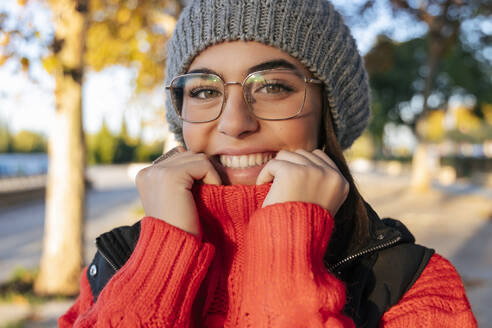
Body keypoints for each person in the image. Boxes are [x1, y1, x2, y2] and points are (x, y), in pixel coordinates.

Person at [59, 0, 477, 327]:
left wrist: (286, 249)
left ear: (326, 113)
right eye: (204, 90)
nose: (235, 122)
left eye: (273, 87)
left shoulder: (408, 283)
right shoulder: (118, 264)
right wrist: (160, 257)